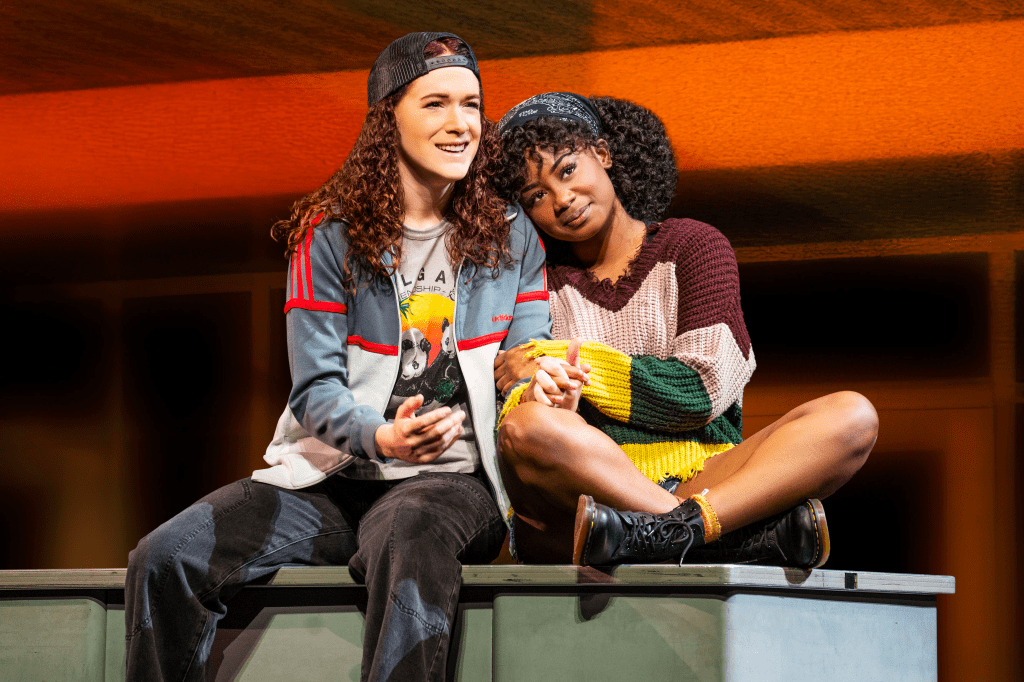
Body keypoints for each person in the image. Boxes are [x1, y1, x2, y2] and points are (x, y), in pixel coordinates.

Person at [124, 33, 558, 682]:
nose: (460, 123)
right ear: (388, 119)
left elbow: (525, 358)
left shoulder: (511, 233)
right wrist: (381, 437)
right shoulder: (329, 238)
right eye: (435, 103)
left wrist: (544, 383)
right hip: (329, 479)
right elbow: (316, 391)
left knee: (409, 536)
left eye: (471, 105)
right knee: (165, 556)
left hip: (451, 482)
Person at [491, 93, 879, 566]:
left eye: (567, 170)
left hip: (704, 475)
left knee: (852, 416)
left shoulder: (694, 246)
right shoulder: (537, 279)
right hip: (593, 491)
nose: (562, 199)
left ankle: (669, 531)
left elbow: (698, 391)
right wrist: (546, 397)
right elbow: (518, 399)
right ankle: (708, 534)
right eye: (536, 196)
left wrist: (574, 360)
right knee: (524, 427)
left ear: (603, 153)